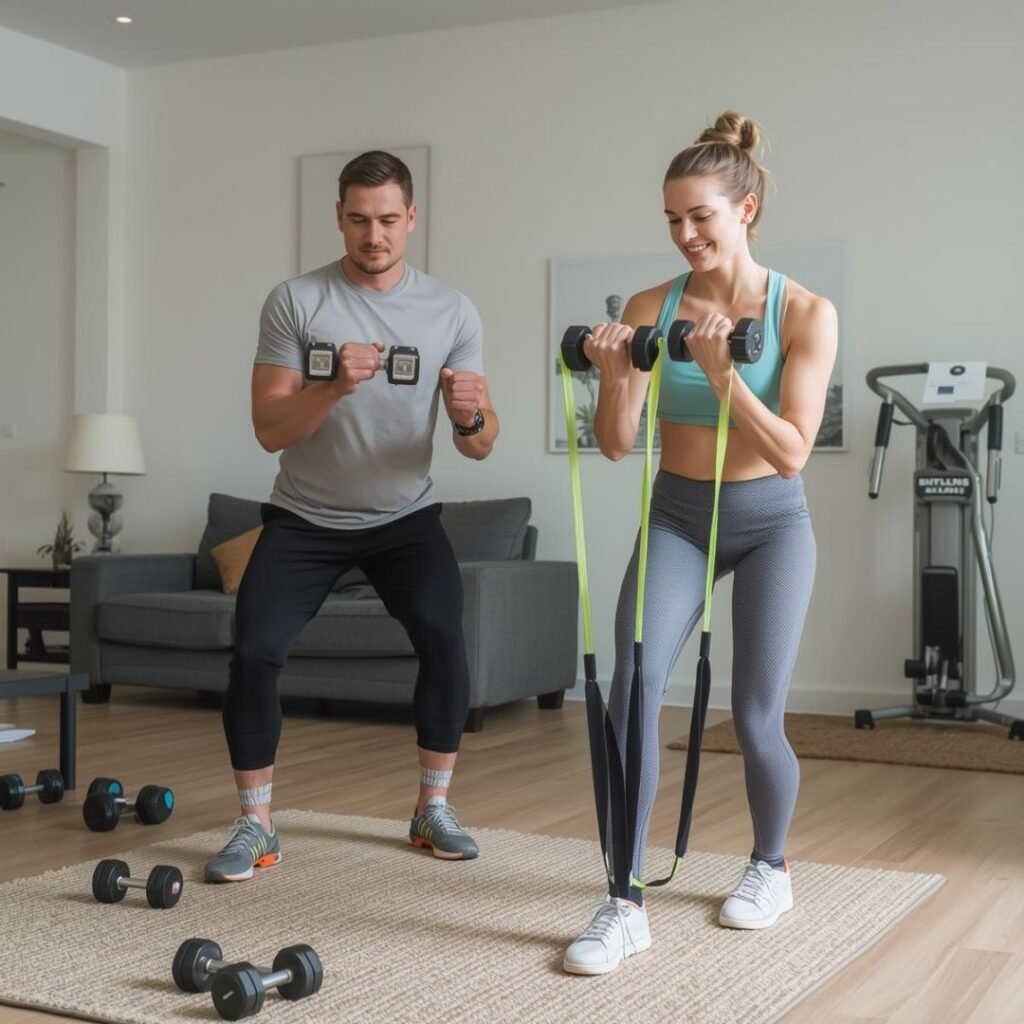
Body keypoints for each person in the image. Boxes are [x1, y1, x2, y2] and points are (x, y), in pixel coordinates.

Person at [562, 111, 838, 973]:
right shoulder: (653, 309)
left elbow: (792, 451)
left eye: (701, 218)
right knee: (635, 690)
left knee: (754, 715)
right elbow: (615, 443)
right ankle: (624, 899)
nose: (685, 235)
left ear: (744, 209)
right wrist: (616, 376)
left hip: (770, 527)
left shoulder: (806, 313)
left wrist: (723, 380)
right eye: (673, 220)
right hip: (679, 516)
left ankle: (770, 866)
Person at [204, 150, 499, 883]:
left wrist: (468, 419)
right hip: (305, 517)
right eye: (360, 220)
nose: (375, 235)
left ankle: (433, 808)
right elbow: (269, 428)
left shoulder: (452, 311)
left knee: (443, 638)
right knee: (254, 652)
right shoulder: (297, 301)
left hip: (406, 517)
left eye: (389, 220)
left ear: (412, 219)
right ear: (338, 217)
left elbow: (484, 442)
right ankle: (256, 825)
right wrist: (332, 385)